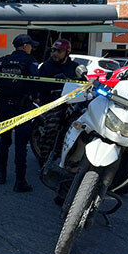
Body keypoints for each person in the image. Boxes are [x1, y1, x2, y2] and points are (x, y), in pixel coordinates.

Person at [0, 34, 40, 192]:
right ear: (25, 45)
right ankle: (20, 181)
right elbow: (36, 79)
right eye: (30, 45)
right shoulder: (29, 60)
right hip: (22, 108)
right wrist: (36, 96)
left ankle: (1, 175)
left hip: (5, 105)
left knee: (4, 142)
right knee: (21, 145)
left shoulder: (4, 60)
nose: (31, 48)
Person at [36, 38, 80, 167]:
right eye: (53, 50)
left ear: (67, 52)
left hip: (72, 103)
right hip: (52, 103)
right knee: (51, 129)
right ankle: (43, 159)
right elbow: (38, 84)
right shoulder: (46, 66)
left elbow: (83, 82)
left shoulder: (75, 67)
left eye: (59, 51)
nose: (55, 53)